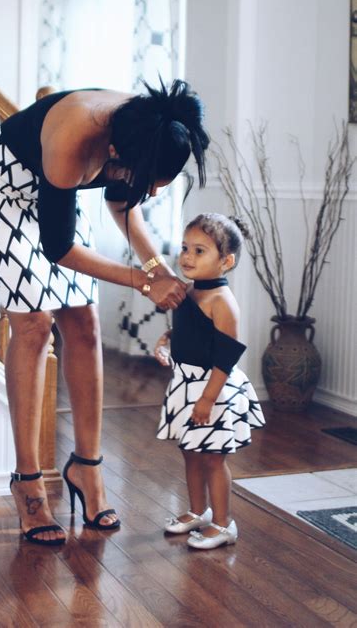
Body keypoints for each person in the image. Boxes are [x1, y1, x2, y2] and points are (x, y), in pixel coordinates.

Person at [0, 79, 210, 546]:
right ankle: (28, 482)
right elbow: (60, 247)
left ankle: (87, 469)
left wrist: (156, 266)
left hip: (59, 195)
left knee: (85, 323)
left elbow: (122, 202)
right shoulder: (77, 131)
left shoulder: (144, 128)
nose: (152, 193)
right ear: (116, 152)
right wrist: (143, 281)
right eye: (151, 182)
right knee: (34, 322)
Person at [155, 213, 265, 549]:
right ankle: (197, 512)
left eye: (199, 251)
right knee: (190, 451)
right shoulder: (188, 291)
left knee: (214, 457)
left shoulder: (222, 301)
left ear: (226, 261)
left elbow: (225, 355)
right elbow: (193, 331)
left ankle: (223, 523)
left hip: (212, 387)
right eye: (186, 248)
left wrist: (207, 399)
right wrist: (166, 339)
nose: (187, 256)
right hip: (186, 383)